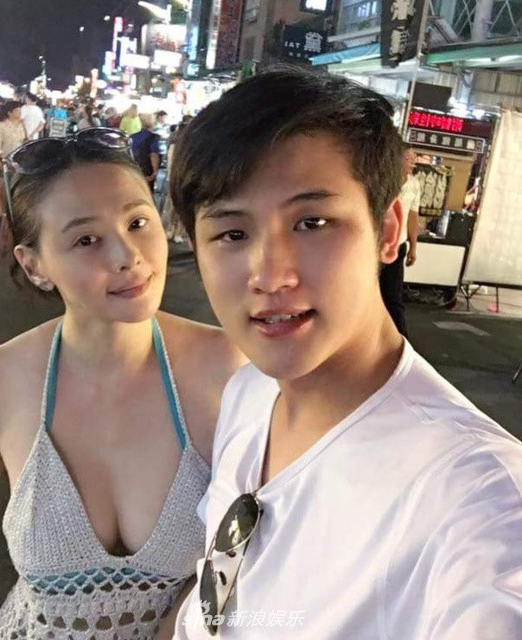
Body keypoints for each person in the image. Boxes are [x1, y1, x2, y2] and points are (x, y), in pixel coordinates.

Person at [169, 67, 522, 638]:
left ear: (389, 230)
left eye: (312, 223)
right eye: (232, 234)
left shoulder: (479, 501)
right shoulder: (249, 392)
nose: (270, 275)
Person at [0, 128, 245, 638]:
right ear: (34, 265)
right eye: (86, 239)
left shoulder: (232, 369)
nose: (127, 255)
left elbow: (253, 551)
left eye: (137, 222)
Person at [379, 144, 420, 337]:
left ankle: (401, 338)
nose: (412, 163)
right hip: (377, 244)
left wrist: (413, 247)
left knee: (394, 295)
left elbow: (413, 216)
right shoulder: (383, 180)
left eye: (414, 160)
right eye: (408, 159)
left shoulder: (414, 184)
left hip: (399, 244)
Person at [0, 100, 27, 225]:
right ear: (9, 113)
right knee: (1, 184)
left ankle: (14, 210)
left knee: (17, 185)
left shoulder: (22, 124)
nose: (19, 112)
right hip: (5, 159)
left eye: (20, 110)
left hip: (19, 159)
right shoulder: (0, 126)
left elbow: (25, 140)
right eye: (17, 110)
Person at [131, 113, 162, 194]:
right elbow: (154, 155)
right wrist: (155, 173)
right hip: (147, 170)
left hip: (134, 169)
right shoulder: (154, 137)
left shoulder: (132, 137)